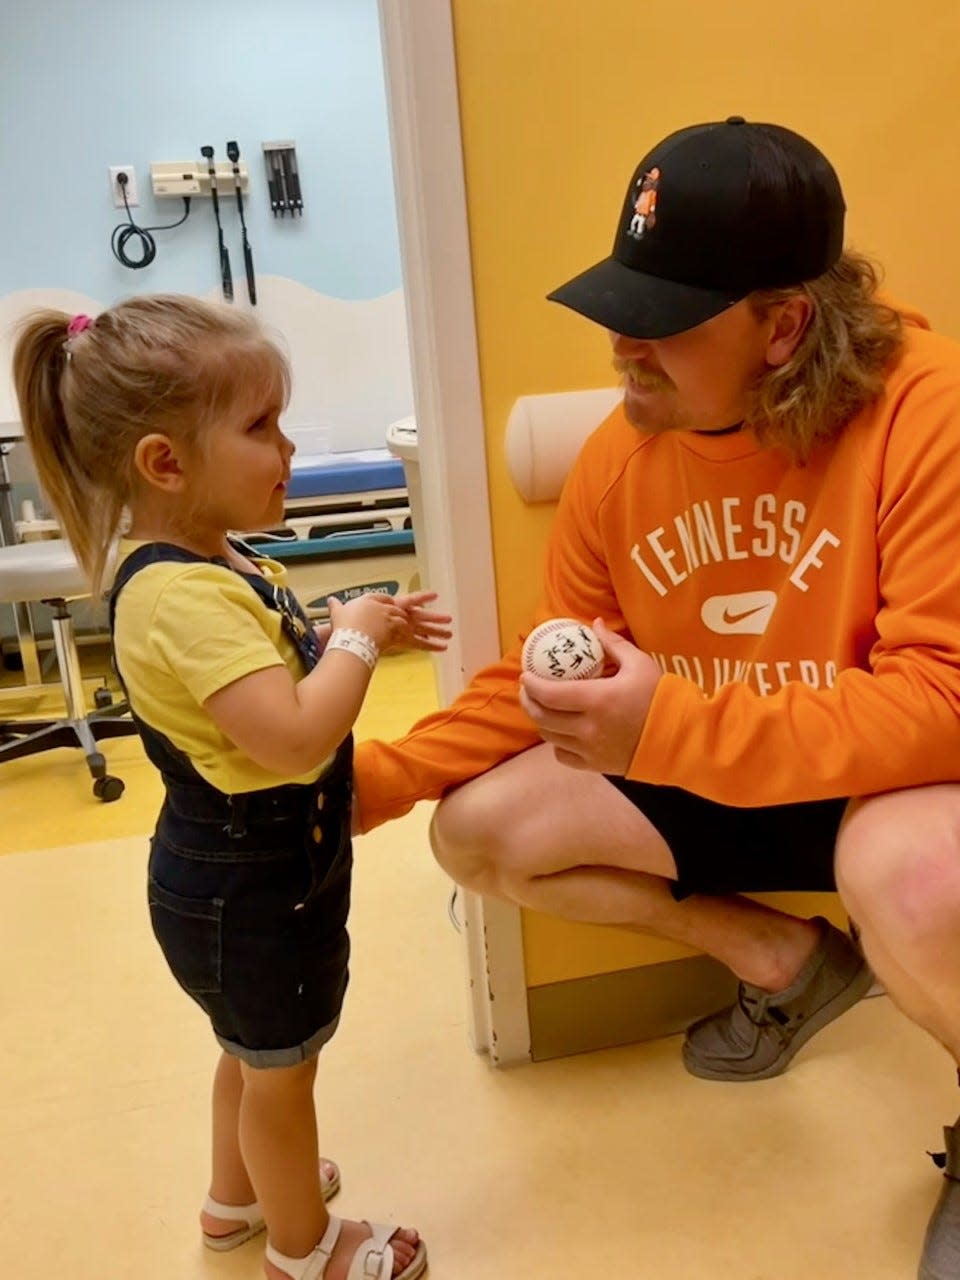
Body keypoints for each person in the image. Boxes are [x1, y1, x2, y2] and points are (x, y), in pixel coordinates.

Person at [351, 117, 960, 1278]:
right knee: (479, 829)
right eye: (620, 304)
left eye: (665, 318)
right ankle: (787, 960)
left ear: (784, 324)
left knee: (921, 880)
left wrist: (669, 723)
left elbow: (944, 700)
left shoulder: (929, 409)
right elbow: (541, 668)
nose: (624, 343)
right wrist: (370, 783)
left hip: (886, 781)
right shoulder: (623, 457)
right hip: (715, 764)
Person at [13, 297, 449, 1280]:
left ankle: (235, 1199)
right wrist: (357, 641)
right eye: (261, 427)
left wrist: (348, 614)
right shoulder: (180, 595)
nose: (287, 447)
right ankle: (305, 1248)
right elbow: (295, 738)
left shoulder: (213, 560)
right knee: (281, 1074)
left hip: (237, 877)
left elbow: (266, 672)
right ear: (165, 463)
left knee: (255, 1054)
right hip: (248, 886)